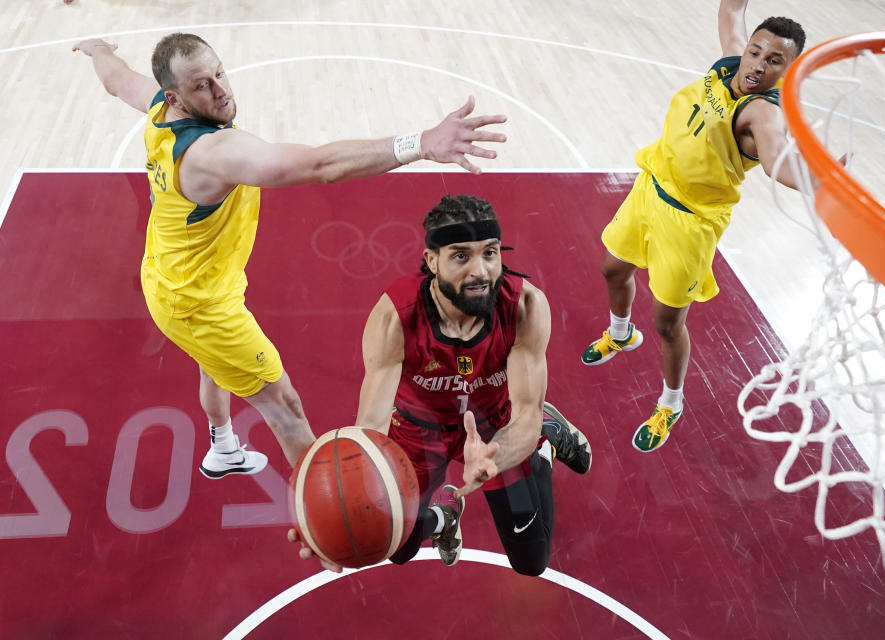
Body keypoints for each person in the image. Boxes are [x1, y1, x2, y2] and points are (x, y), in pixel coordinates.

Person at [72, 34, 507, 484]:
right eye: (203, 86)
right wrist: (422, 143)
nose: (221, 90)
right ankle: (327, 523)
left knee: (214, 364)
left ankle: (222, 450)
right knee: (286, 408)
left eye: (219, 73)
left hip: (171, 275)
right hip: (200, 305)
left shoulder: (161, 108)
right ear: (178, 97)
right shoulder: (213, 153)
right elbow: (320, 166)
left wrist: (98, 50)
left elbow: (118, 81)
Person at [294, 194, 592, 574]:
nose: (481, 271)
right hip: (419, 430)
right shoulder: (395, 319)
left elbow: (525, 415)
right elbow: (370, 427)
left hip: (496, 427)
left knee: (531, 562)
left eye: (490, 253)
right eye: (461, 256)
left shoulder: (525, 307)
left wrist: (496, 455)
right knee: (396, 545)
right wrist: (328, 523)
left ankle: (544, 444)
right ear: (431, 261)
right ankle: (445, 517)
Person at [579, 0, 806, 453]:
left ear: (789, 72)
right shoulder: (732, 64)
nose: (758, 64)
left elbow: (780, 162)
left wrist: (825, 180)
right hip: (650, 188)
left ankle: (671, 402)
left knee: (667, 323)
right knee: (613, 269)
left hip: (691, 222)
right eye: (757, 52)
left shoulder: (762, 113)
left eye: (774, 61)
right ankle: (621, 335)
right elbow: (730, 15)